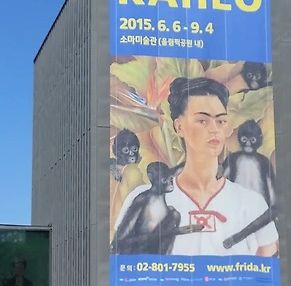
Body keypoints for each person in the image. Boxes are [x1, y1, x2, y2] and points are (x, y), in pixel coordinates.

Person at [113, 76, 279, 257]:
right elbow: (119, 257)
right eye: (202, 121)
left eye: (221, 121)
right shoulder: (143, 197)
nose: (214, 129)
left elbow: (268, 263)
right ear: (179, 126)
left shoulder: (252, 203)